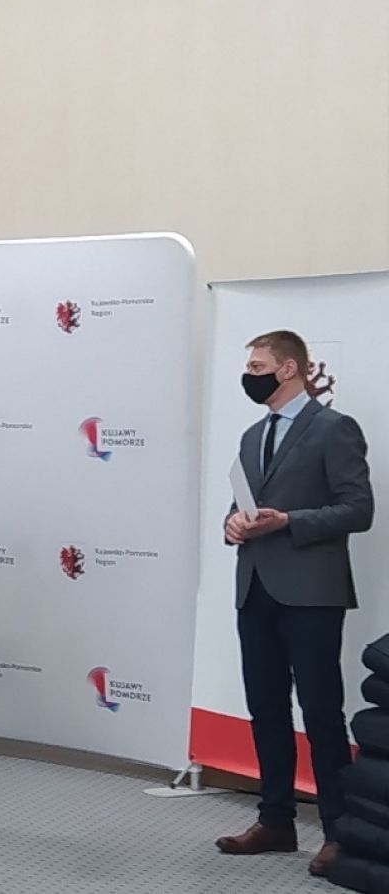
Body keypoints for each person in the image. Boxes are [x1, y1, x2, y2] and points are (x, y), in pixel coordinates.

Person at [215, 330, 373, 877]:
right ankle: (275, 820)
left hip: (312, 593)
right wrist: (232, 524)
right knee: (265, 708)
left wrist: (289, 521)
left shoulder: (334, 428)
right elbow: (240, 506)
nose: (249, 376)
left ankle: (337, 832)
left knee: (322, 712)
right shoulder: (251, 435)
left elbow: (358, 509)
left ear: (289, 369)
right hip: (255, 587)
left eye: (258, 366)